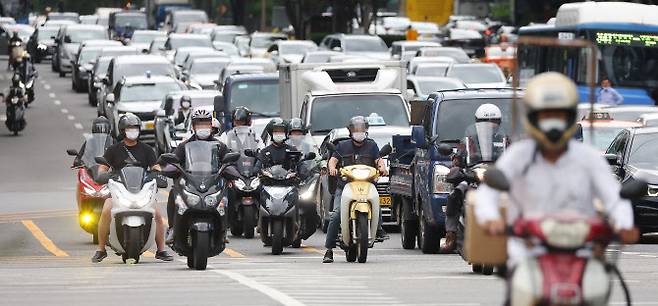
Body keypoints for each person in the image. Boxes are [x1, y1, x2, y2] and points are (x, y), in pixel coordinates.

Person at [475, 72, 638, 271]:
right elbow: (487, 194)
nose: (552, 122)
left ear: (569, 118)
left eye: (559, 115)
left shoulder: (588, 158)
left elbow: (614, 197)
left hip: (578, 255)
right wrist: (491, 219)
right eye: (546, 115)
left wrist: (624, 224)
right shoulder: (518, 156)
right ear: (533, 118)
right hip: (527, 256)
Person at [91, 113, 173, 263]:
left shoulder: (147, 149)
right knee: (106, 211)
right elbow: (103, 167)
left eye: (135, 127)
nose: (132, 130)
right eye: (129, 128)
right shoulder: (113, 149)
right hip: (118, 190)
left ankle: (161, 250)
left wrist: (158, 174)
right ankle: (101, 249)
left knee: (158, 215)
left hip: (142, 191)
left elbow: (155, 166)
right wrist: (103, 175)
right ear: (122, 130)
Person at [440, 103, 507, 254]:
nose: (490, 126)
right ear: (478, 123)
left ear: (499, 123)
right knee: (455, 193)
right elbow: (458, 159)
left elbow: (512, 158)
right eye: (485, 122)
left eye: (493, 122)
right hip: (473, 175)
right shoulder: (469, 141)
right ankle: (451, 235)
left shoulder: (504, 141)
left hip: (497, 176)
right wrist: (457, 167)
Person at [322, 116, 389, 264]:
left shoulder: (372, 146)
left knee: (377, 203)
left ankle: (378, 228)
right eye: (356, 130)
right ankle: (329, 250)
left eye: (362, 130)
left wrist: (383, 169)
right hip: (345, 186)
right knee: (336, 215)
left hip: (366, 184)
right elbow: (333, 161)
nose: (359, 132)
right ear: (350, 131)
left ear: (366, 131)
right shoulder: (341, 146)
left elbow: (379, 161)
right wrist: (332, 168)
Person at [165, 109, 230, 242]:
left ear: (211, 126)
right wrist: (168, 168)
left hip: (213, 183)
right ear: (193, 127)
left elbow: (229, 161)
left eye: (206, 124)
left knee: (230, 191)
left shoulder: (220, 146)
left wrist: (232, 171)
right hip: (190, 183)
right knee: (173, 193)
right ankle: (172, 229)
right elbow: (173, 160)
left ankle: (224, 229)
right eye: (199, 125)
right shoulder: (185, 145)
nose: (203, 128)